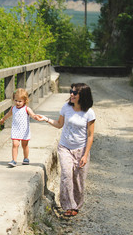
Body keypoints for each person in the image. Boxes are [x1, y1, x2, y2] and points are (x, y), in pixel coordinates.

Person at [36, 83, 95, 217]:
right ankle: (69, 206)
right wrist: (45, 119)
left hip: (81, 149)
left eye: (74, 93)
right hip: (65, 147)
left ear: (82, 96)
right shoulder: (66, 108)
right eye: (71, 92)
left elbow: (90, 136)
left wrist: (85, 155)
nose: (71, 95)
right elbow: (59, 124)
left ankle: (77, 205)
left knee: (79, 180)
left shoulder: (89, 113)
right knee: (67, 175)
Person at [0, 88, 37, 167]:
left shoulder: (26, 109)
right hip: (16, 129)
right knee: (15, 144)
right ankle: (14, 160)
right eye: (16, 100)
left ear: (25, 101)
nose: (18, 103)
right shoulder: (13, 108)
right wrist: (3, 119)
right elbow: (8, 114)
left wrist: (36, 117)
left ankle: (26, 158)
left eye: (20, 101)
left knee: (24, 145)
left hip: (24, 130)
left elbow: (33, 115)